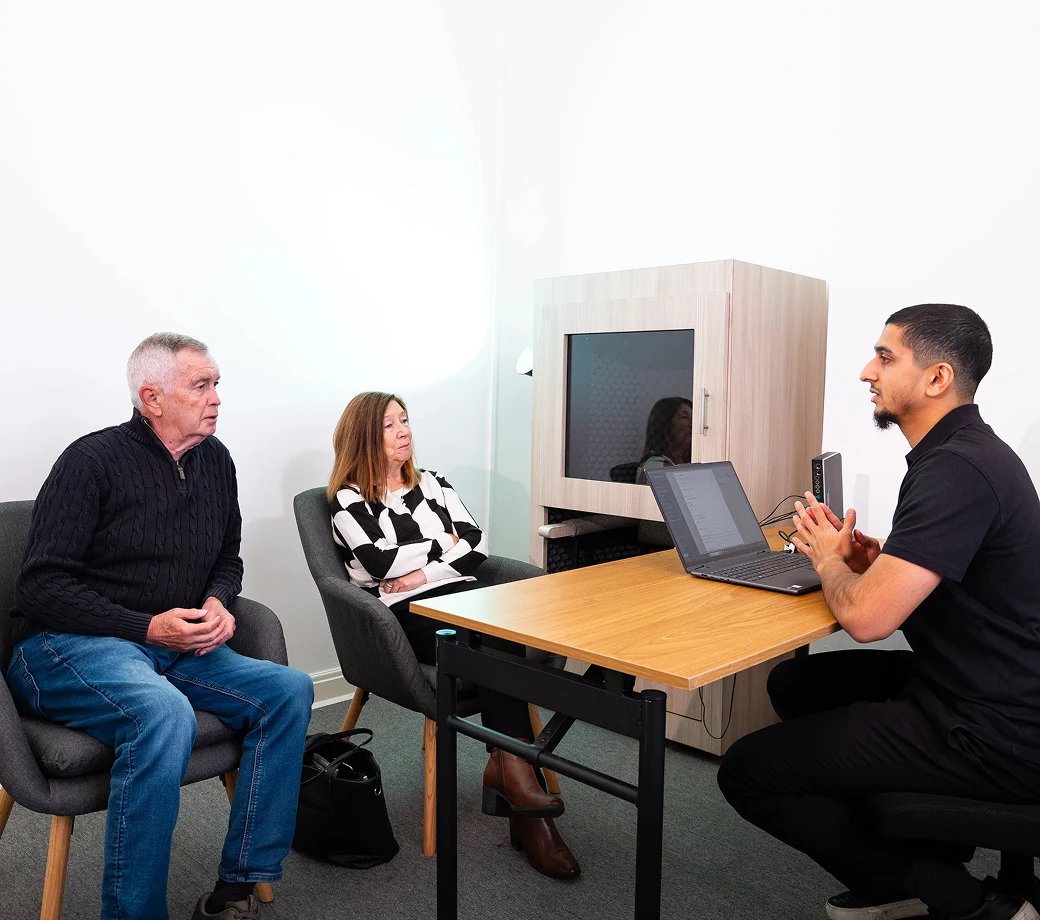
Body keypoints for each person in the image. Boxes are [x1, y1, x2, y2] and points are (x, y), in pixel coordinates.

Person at [717, 304, 1040, 920]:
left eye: (886, 357)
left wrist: (826, 561)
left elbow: (867, 623)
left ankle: (951, 897)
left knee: (749, 771)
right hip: (986, 689)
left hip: (997, 731)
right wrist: (875, 562)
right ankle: (924, 845)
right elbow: (945, 573)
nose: (868, 371)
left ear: (937, 378)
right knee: (796, 681)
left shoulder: (957, 469)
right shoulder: (965, 452)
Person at [8, 333, 314, 920]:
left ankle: (240, 883)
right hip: (65, 648)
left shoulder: (215, 461)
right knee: (162, 713)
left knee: (289, 690)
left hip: (173, 648)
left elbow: (229, 557)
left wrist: (221, 601)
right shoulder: (90, 462)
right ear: (151, 398)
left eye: (217, 383)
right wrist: (148, 627)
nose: (217, 398)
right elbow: (40, 587)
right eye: (201, 386)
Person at [327, 391, 580, 880]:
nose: (405, 431)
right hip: (405, 615)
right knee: (482, 638)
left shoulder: (434, 483)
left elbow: (478, 547)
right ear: (363, 436)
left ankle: (510, 767)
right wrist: (445, 545)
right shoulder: (346, 500)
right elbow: (378, 564)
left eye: (405, 420)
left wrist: (422, 570)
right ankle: (522, 787)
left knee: (496, 630)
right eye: (389, 425)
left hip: (450, 595)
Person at [635, 396, 693, 482]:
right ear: (665, 424)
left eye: (693, 418)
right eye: (684, 417)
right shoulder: (655, 466)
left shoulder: (688, 462)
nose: (692, 424)